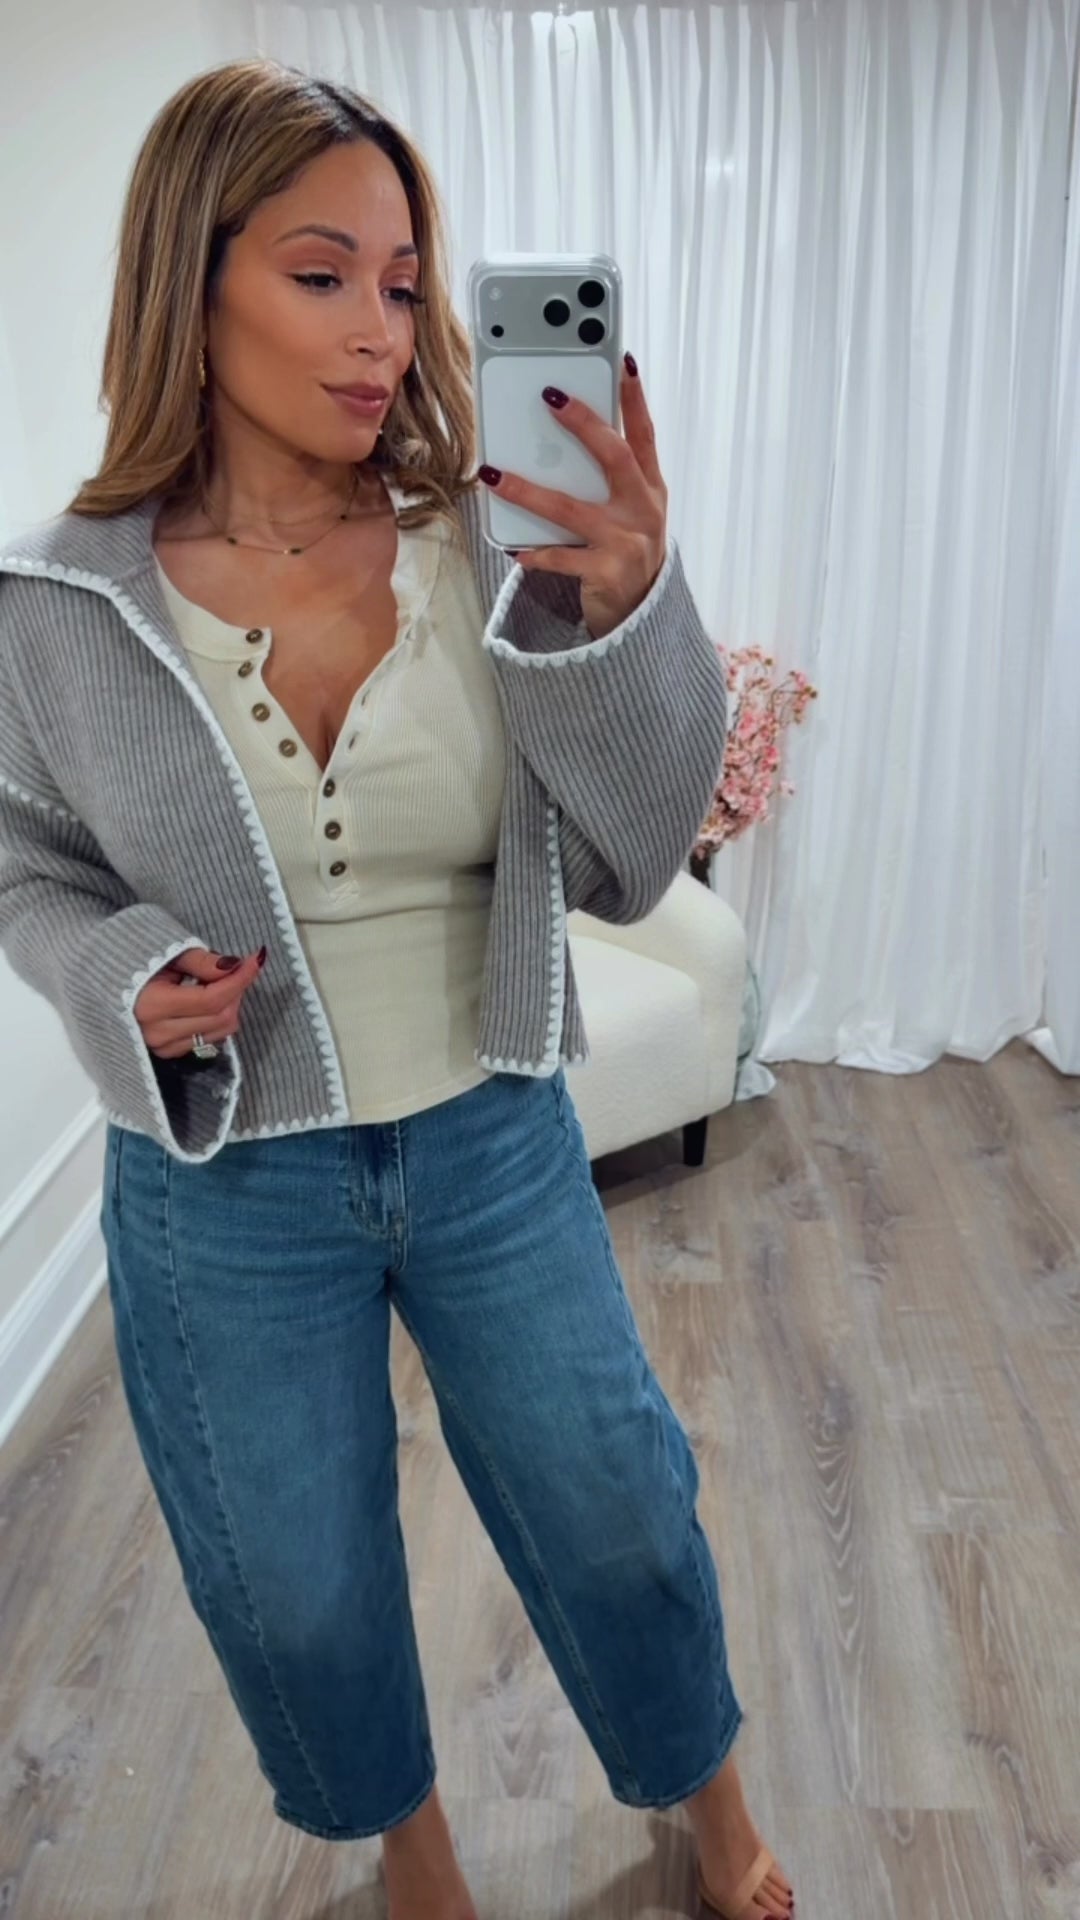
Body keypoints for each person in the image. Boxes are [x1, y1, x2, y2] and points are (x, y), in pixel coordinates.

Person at [0, 59, 794, 1920]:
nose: (381, 330)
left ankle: (710, 1796)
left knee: (616, 1505)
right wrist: (121, 977)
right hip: (219, 1183)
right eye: (320, 273)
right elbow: (27, 870)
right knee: (295, 1582)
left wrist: (632, 604)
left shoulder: (490, 545)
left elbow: (638, 846)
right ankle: (413, 1853)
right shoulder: (55, 603)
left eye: (406, 281)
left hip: (490, 1126)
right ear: (190, 278)